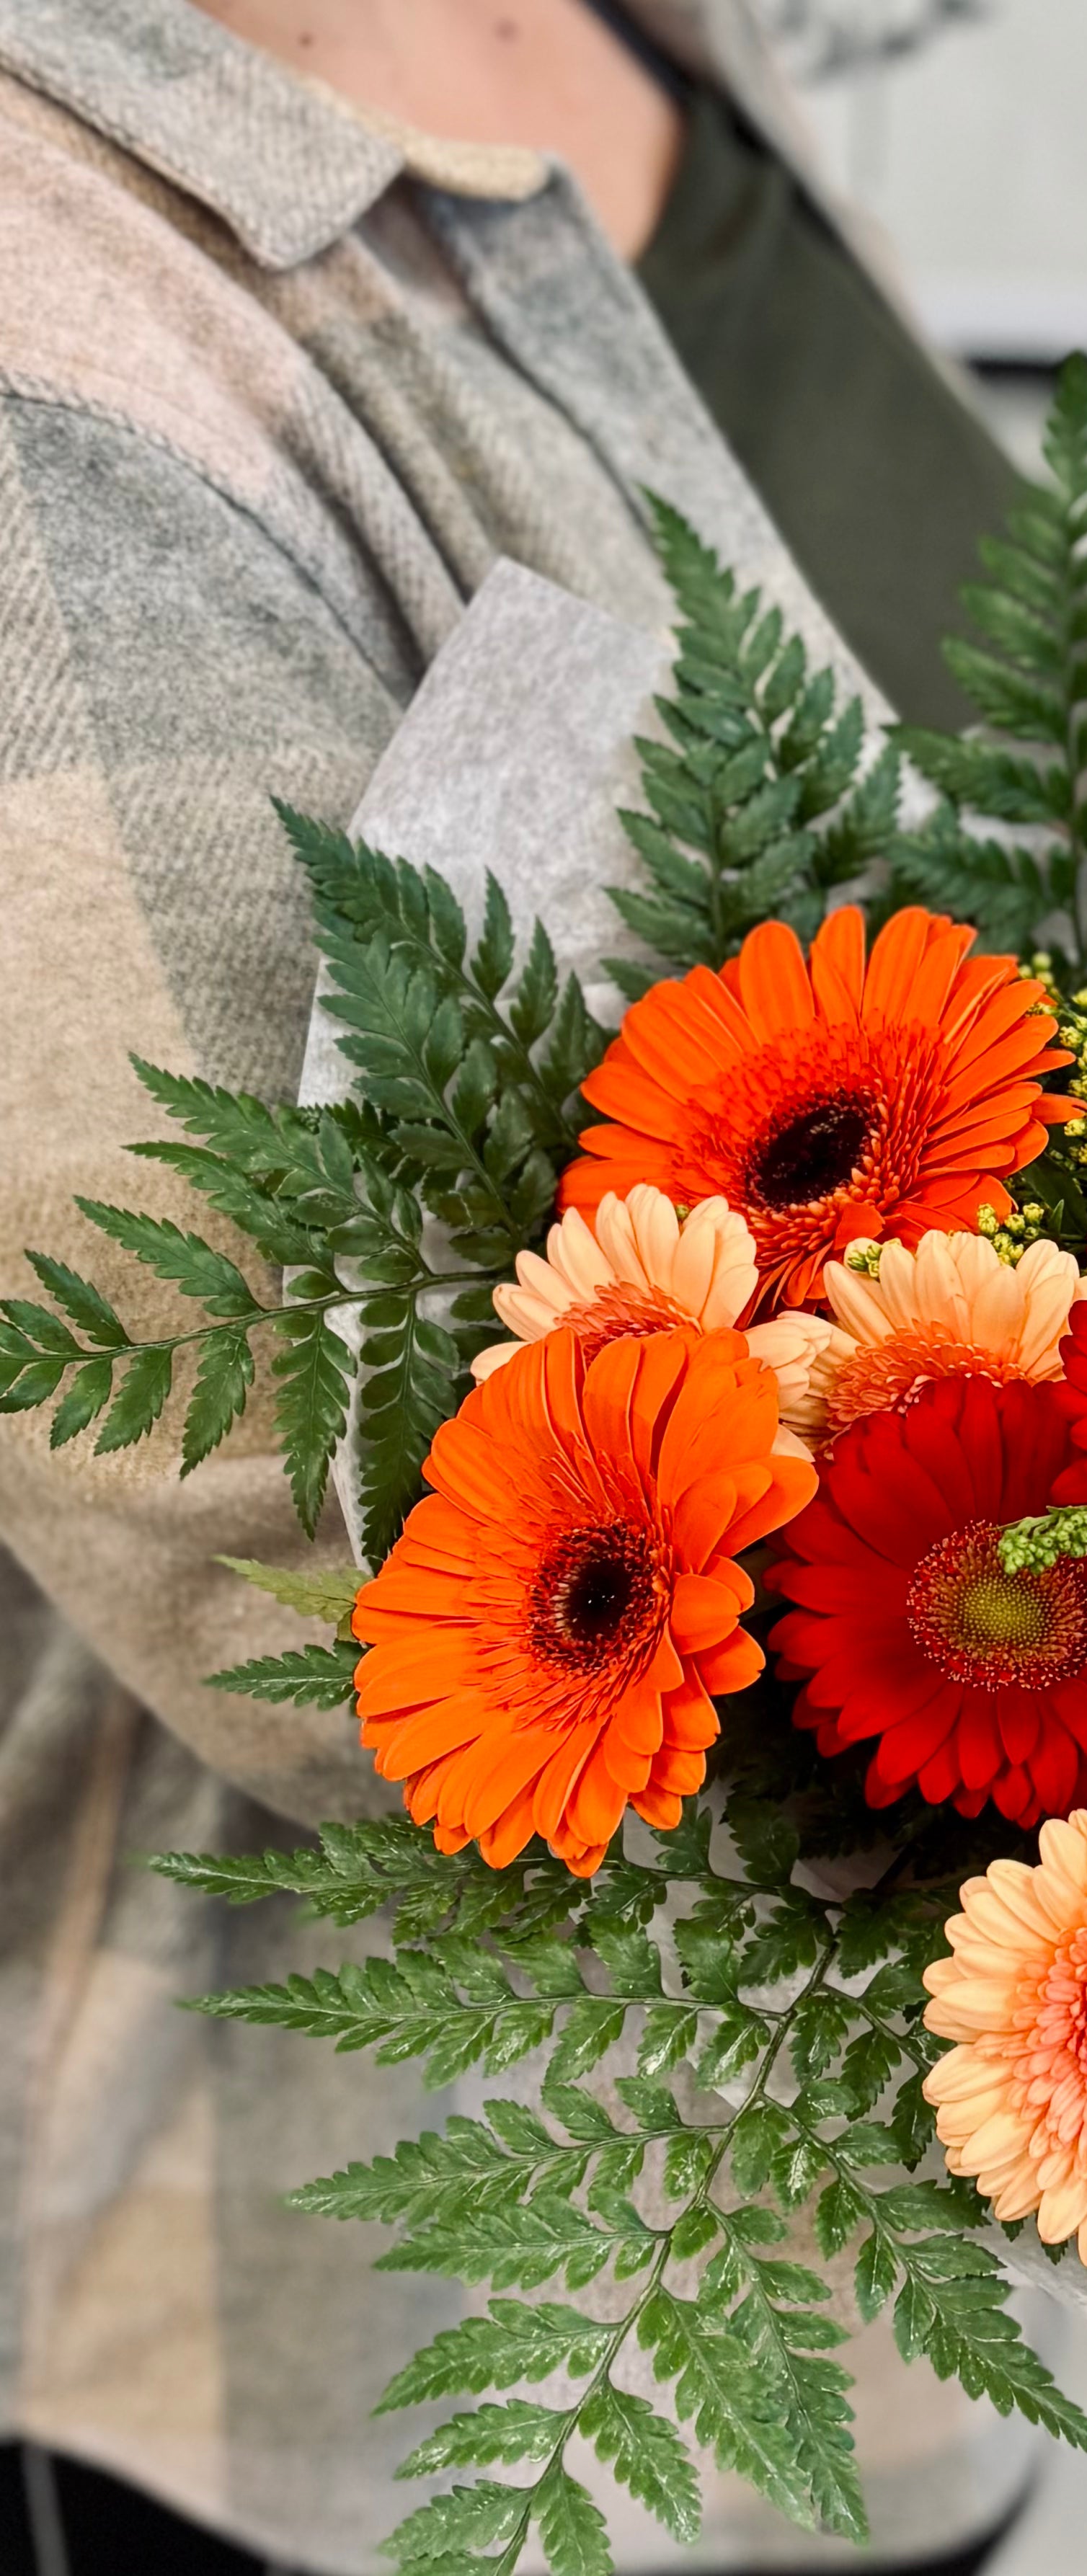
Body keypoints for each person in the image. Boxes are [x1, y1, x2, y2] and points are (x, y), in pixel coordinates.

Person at [0, 1, 1031, 2567]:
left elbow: (1026, 863)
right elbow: (338, 1590)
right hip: (373, 2373)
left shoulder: (671, 61)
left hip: (954, 2283)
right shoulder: (64, 287)